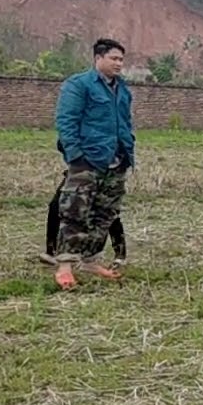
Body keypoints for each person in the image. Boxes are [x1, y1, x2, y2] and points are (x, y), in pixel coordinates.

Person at [51, 38, 134, 290]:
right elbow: (66, 121)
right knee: (75, 211)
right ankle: (64, 266)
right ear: (98, 58)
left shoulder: (122, 89)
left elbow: (125, 121)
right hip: (87, 159)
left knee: (105, 213)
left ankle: (90, 260)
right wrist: (76, 154)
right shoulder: (79, 85)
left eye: (121, 59)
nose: (119, 64)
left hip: (117, 159)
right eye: (114, 59)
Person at [40, 166, 126, 268]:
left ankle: (120, 254)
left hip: (104, 169)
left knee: (106, 210)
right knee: (56, 205)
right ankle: (51, 251)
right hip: (80, 168)